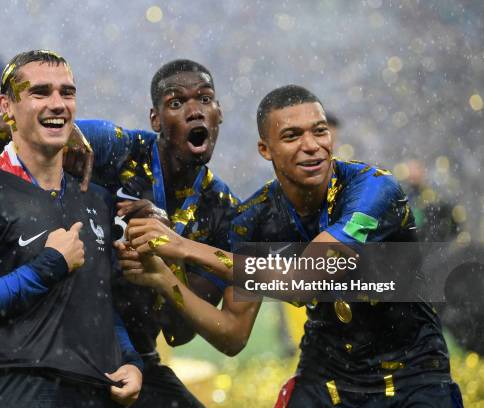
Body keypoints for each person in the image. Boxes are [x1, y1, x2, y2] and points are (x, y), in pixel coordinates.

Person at [122, 85, 464, 407]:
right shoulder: (253, 217)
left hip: (413, 375)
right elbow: (232, 336)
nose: (312, 144)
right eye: (292, 136)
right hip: (325, 376)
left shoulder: (375, 190)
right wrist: (162, 278)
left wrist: (185, 247)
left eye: (319, 131)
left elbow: (305, 281)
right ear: (264, 149)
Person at [0, 59, 240, 407]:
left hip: (135, 359)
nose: (194, 111)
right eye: (176, 102)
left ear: (219, 113)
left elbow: (180, 333)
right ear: (155, 119)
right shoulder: (119, 147)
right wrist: (62, 136)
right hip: (56, 345)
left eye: (205, 99)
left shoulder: (225, 211)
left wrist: (166, 263)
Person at [0, 50, 142, 408]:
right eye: (41, 92)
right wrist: (48, 267)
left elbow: (97, 303)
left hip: (102, 393)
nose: (58, 103)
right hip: (25, 393)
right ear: (7, 106)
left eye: (67, 92)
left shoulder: (97, 200)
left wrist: (130, 360)